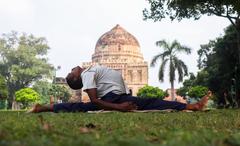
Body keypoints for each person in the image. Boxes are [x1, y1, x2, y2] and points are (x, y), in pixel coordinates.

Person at [30, 65, 212, 113]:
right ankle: (191, 106)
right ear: (77, 77)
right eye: (71, 72)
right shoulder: (87, 74)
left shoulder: (89, 70)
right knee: (150, 102)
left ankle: (42, 108)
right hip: (114, 98)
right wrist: (119, 107)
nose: (73, 68)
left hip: (116, 95)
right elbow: (94, 100)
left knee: (81, 108)